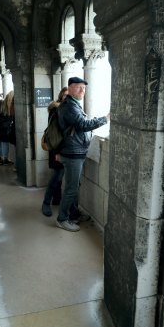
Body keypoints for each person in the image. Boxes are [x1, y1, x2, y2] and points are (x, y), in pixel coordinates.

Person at [56, 76, 110, 232]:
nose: (83, 91)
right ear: (70, 88)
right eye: (79, 87)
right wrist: (105, 119)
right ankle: (62, 218)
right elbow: (83, 125)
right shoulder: (69, 106)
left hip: (75, 151)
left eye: (84, 88)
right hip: (72, 153)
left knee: (75, 186)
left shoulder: (73, 104)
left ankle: (73, 213)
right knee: (71, 188)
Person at [41, 87, 68, 217]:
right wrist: (57, 153)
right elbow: (55, 134)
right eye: (65, 96)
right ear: (61, 96)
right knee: (57, 176)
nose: (67, 98)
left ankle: (56, 200)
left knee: (59, 176)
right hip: (57, 149)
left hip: (62, 148)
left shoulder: (63, 109)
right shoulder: (57, 110)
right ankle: (46, 203)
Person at [0, 91, 15, 165]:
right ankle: (5, 159)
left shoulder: (0, 102)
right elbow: (10, 118)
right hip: (5, 127)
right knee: (5, 143)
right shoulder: (11, 106)